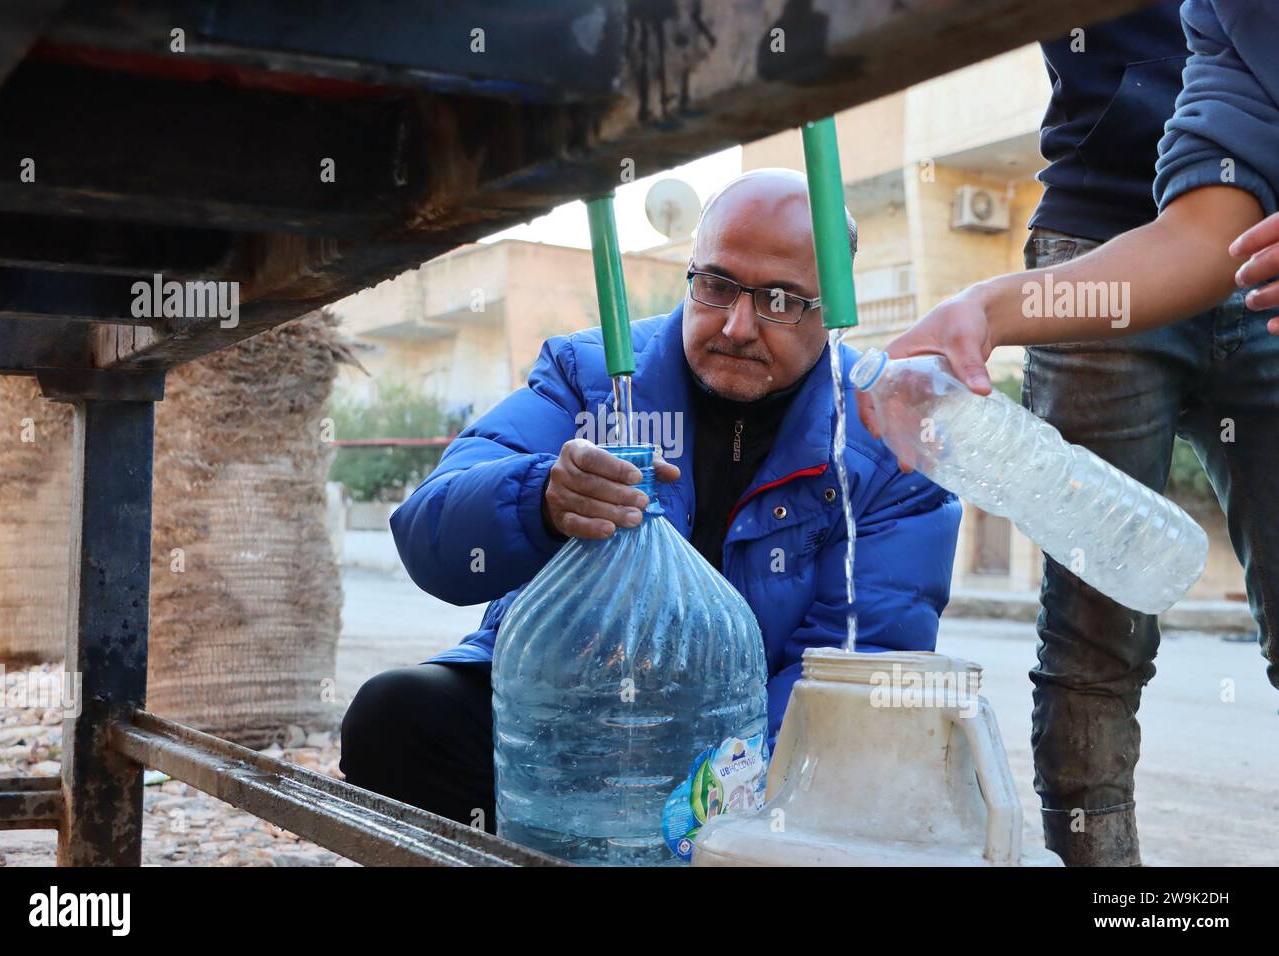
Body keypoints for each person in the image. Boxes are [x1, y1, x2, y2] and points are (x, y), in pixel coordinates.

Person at [341, 169, 961, 832]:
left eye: (780, 299)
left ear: (835, 304)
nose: (737, 325)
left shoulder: (883, 443)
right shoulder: (591, 378)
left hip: (742, 747)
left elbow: (854, 675)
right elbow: (431, 539)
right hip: (557, 719)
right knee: (398, 716)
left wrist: (704, 799)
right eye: (716, 284)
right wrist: (541, 500)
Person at [860, 0, 1279, 865]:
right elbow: (1208, 232)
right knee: (1096, 634)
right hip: (1130, 241)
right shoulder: (1222, 28)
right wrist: (986, 307)